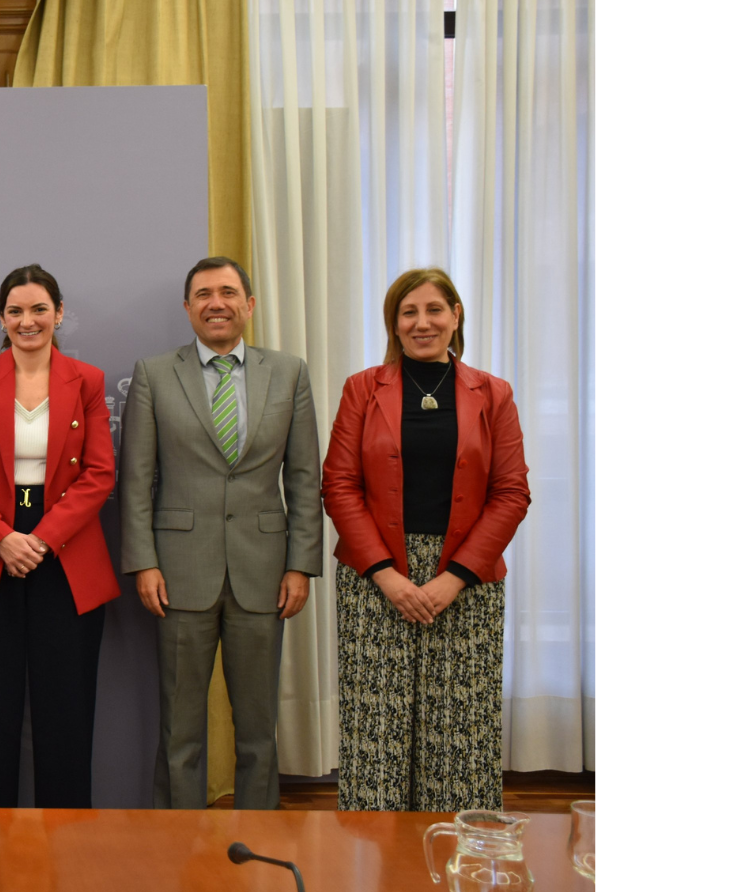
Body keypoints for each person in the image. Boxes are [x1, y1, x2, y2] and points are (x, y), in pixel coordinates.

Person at [322, 268, 530, 812]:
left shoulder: (494, 393)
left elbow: (512, 493)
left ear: (455, 316)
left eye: (434, 310)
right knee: (378, 735)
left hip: (466, 581)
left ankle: (457, 871)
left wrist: (454, 578)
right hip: (375, 580)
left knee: (459, 736)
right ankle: (375, 873)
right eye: (408, 312)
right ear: (394, 323)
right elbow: (339, 486)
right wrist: (388, 575)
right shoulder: (363, 389)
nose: (422, 323)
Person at [119, 257, 322, 811]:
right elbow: (136, 479)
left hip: (265, 571)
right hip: (179, 572)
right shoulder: (155, 373)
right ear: (187, 308)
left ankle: (256, 839)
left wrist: (301, 563)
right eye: (203, 293)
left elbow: (305, 477)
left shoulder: (290, 372)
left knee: (259, 728)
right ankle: (177, 841)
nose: (216, 302)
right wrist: (144, 562)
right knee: (179, 728)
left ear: (249, 306)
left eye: (228, 292)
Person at [0, 263, 119, 808]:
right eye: (16, 311)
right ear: (1, 318)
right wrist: (2, 537)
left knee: (65, 710)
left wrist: (41, 538)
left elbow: (99, 474)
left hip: (64, 552)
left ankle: (69, 846)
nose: (28, 321)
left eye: (39, 309)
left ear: (59, 313)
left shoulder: (87, 379)